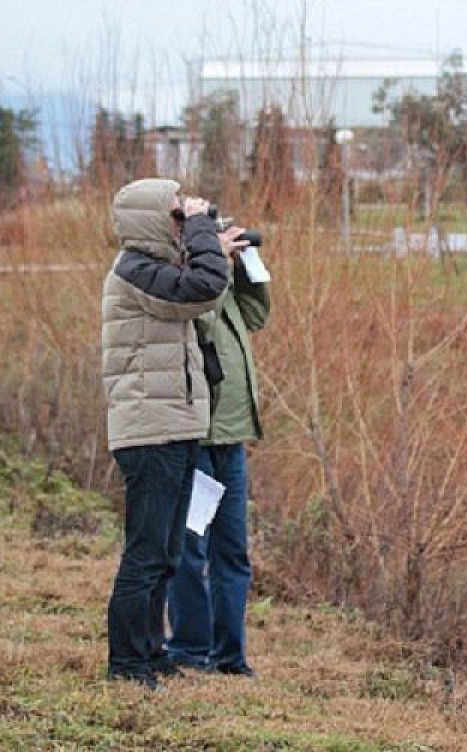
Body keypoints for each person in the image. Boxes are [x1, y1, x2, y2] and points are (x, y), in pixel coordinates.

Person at [100, 178, 247, 689]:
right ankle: (126, 663)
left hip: (176, 426)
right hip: (149, 432)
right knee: (145, 553)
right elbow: (204, 288)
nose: (183, 223)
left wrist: (213, 244)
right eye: (177, 216)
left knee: (165, 553)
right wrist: (205, 229)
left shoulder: (157, 271)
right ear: (152, 221)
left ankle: (151, 650)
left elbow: (200, 285)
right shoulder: (134, 270)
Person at [165, 232, 270, 677]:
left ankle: (230, 655)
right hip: (197, 442)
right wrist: (215, 262)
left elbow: (256, 314)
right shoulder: (188, 287)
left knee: (233, 552)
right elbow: (201, 320)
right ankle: (191, 647)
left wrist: (249, 268)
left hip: (231, 440)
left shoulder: (226, 297)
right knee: (191, 548)